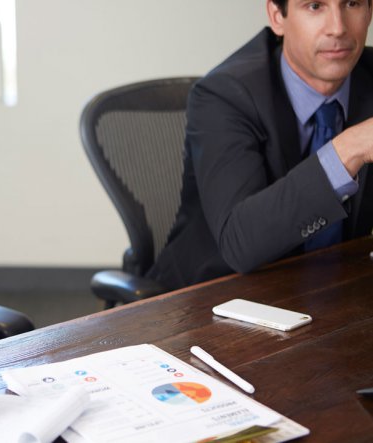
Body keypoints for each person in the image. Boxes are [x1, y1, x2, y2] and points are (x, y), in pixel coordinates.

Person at [148, 0, 373, 291]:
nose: (338, 28)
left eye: (352, 3)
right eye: (315, 6)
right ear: (277, 16)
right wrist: (349, 148)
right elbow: (239, 241)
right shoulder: (224, 96)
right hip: (214, 297)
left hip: (334, 291)